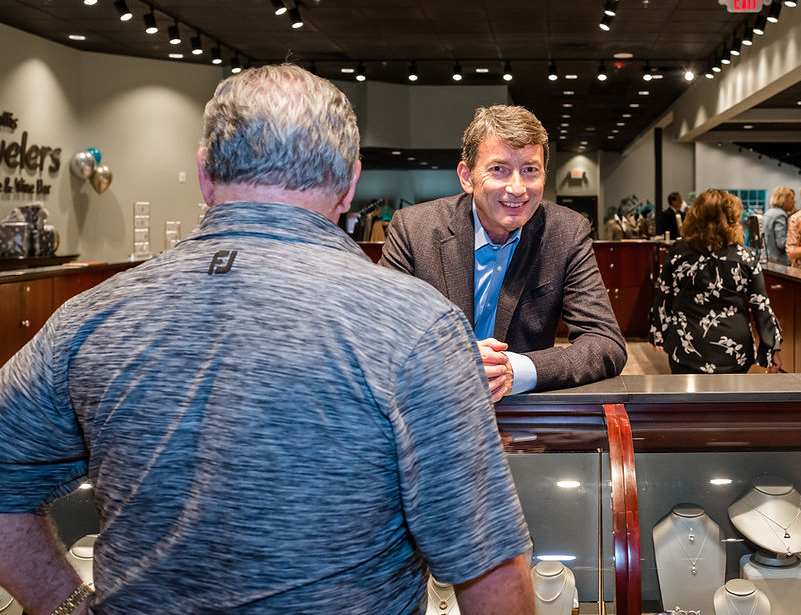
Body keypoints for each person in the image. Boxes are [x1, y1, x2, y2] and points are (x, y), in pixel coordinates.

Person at [0, 65, 533, 615]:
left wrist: (66, 606)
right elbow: (489, 571)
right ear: (351, 183)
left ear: (204, 174)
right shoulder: (417, 327)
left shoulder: (91, 318)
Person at [381, 105, 626, 398]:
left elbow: (605, 342)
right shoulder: (413, 229)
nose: (517, 188)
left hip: (523, 418)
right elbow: (379, 336)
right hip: (430, 407)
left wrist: (516, 369)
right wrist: (451, 361)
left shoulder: (566, 232)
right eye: (499, 169)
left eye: (530, 170)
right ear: (467, 176)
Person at [650, 189, 782, 375]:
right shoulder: (745, 257)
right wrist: (771, 348)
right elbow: (760, 305)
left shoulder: (679, 251)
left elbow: (664, 294)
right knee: (729, 403)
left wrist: (658, 331)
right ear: (732, 221)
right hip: (733, 350)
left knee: (687, 403)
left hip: (686, 345)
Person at [762, 186, 795, 265]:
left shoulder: (768, 212)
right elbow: (781, 243)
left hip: (766, 258)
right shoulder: (781, 215)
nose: (794, 201)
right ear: (784, 199)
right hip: (778, 262)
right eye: (792, 198)